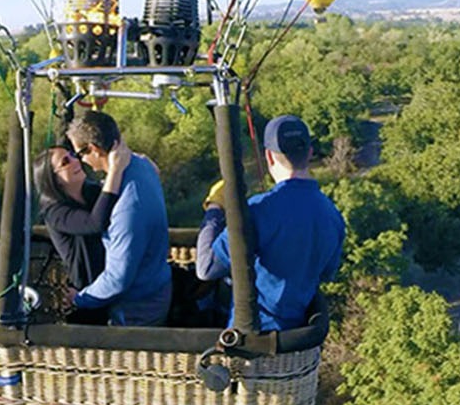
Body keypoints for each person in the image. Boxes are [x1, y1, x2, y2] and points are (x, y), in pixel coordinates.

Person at [196, 114, 346, 332]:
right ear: (310, 153)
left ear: (269, 156)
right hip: (297, 338)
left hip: (252, 338)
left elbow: (206, 268)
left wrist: (215, 208)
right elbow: (325, 274)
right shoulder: (333, 215)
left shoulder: (258, 210)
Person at [66, 111, 172, 326]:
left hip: (138, 306)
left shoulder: (127, 209)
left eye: (80, 154)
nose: (81, 161)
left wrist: (78, 299)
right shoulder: (143, 165)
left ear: (94, 149)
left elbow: (118, 279)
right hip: (158, 283)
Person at [32, 139, 131, 291]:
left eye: (72, 155)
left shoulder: (92, 192)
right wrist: (115, 171)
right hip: (89, 291)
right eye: (65, 162)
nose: (75, 161)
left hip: (116, 281)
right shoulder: (55, 213)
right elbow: (95, 223)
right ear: (54, 180)